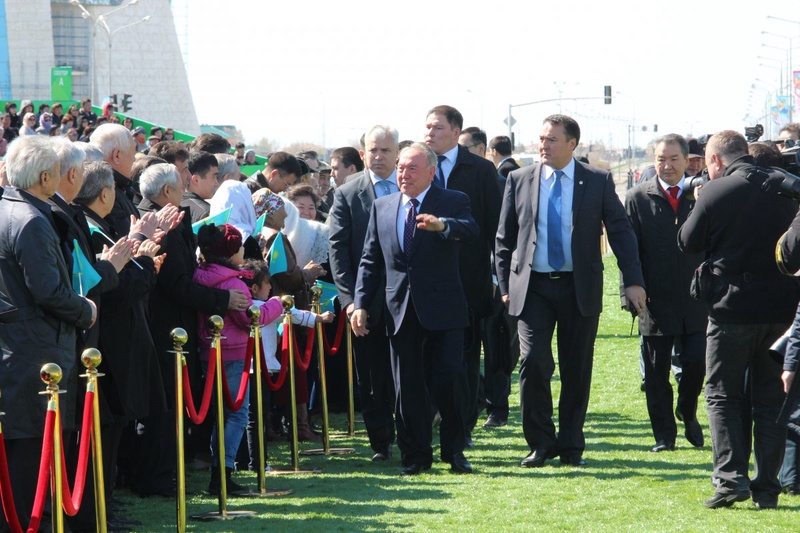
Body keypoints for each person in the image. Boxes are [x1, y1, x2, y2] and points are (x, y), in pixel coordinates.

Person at [495, 114, 646, 468]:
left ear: (571, 144)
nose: (543, 145)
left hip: (579, 286)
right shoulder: (519, 179)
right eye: (541, 138)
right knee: (533, 362)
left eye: (551, 139)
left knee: (577, 367)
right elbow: (504, 238)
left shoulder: (596, 180)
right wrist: (505, 285)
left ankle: (571, 444)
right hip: (533, 289)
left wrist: (634, 279)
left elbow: (621, 232)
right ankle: (540, 443)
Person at [678, 130, 800, 509]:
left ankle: (730, 480)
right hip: (780, 310)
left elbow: (687, 241)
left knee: (722, 396)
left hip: (731, 309)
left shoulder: (716, 191)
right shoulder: (787, 188)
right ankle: (767, 486)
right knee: (771, 402)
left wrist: (702, 202)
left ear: (715, 160)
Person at [352, 142, 478, 476]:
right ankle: (416, 456)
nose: (403, 174)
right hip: (399, 310)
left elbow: (472, 229)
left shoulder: (452, 200)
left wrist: (444, 226)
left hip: (444, 309)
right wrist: (361, 303)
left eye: (411, 168)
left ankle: (454, 452)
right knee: (406, 387)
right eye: (401, 167)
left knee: (449, 381)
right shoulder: (383, 206)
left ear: (431, 172)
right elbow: (370, 260)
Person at [0, 135, 97, 531]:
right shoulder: (32, 221)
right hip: (35, 353)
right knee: (30, 460)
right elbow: (49, 292)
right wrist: (86, 310)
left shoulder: (10, 209)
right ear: (44, 177)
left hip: (18, 350)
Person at [624, 134, 707, 453]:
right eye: (661, 159)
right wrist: (629, 292)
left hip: (696, 298)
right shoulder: (636, 197)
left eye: (674, 159)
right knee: (656, 373)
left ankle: (687, 410)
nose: (667, 165)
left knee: (696, 363)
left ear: (688, 162)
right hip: (653, 301)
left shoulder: (701, 195)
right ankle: (664, 435)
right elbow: (628, 251)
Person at [424, 105, 501, 445]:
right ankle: (426, 423)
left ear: (456, 132)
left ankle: (463, 427)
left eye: (437, 128)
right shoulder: (416, 165)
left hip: (468, 281)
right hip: (424, 281)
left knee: (466, 359)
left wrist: (498, 275)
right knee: (427, 357)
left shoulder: (481, 171)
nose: (430, 133)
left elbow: (498, 227)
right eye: (427, 127)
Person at [328, 125, 400, 461]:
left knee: (410, 369)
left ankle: (412, 431)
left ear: (397, 152)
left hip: (408, 297)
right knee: (371, 375)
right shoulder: (346, 193)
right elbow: (338, 251)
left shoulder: (413, 184)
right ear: (363, 153)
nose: (379, 156)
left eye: (386, 150)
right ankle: (381, 442)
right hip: (366, 301)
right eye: (374, 150)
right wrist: (350, 300)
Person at [181, 151, 220, 223]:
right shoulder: (206, 213)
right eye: (213, 177)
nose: (217, 184)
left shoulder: (175, 204)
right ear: (196, 180)